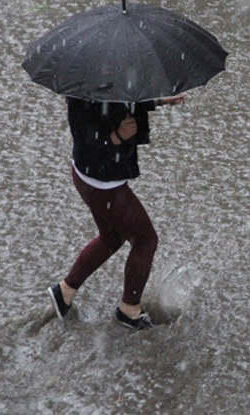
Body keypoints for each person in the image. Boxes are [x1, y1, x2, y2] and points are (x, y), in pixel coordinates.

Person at [47, 93, 185, 330]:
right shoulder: (83, 93)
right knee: (145, 240)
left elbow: (122, 100)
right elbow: (85, 137)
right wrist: (117, 136)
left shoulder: (107, 80)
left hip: (90, 176)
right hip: (102, 183)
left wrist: (159, 100)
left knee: (112, 237)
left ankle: (65, 291)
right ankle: (129, 309)